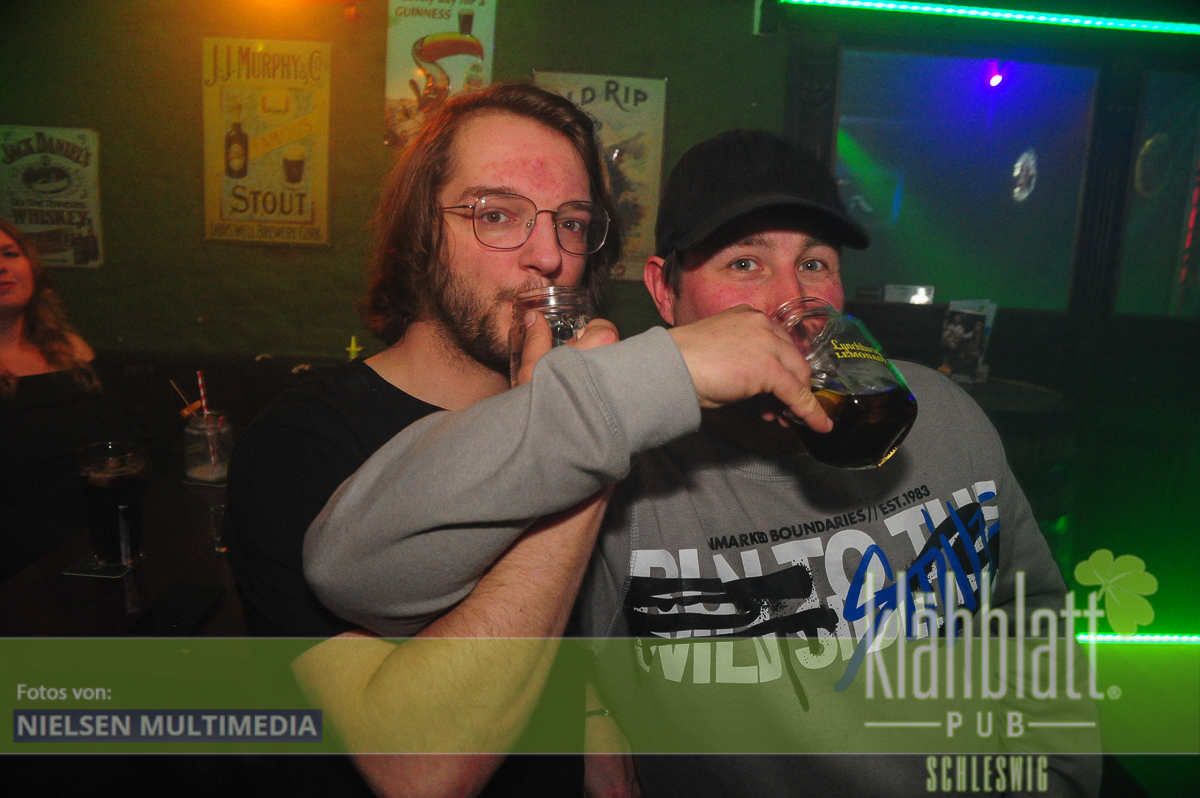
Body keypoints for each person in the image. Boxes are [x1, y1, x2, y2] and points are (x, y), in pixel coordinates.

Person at [303, 129, 1100, 796]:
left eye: (815, 263)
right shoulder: (623, 475)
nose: (790, 301)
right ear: (664, 291)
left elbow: (1031, 620)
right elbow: (350, 569)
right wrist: (639, 383)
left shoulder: (942, 413)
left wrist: (1061, 774)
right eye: (744, 264)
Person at [228, 83, 823, 797]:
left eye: (572, 223)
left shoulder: (609, 414)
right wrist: (585, 434)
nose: (548, 255)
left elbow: (583, 628)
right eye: (496, 214)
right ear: (418, 235)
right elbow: (422, 766)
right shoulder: (299, 443)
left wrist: (594, 714)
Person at [0, 218, 129, 583]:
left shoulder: (69, 350)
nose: (2, 267)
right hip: (22, 566)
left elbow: (117, 439)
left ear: (32, 266)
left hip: (103, 542)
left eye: (10, 253)